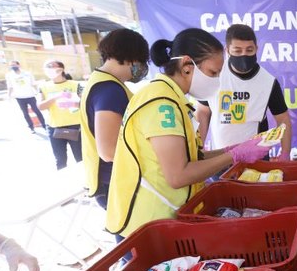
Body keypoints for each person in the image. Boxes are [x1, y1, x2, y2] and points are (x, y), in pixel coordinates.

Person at [105, 28, 270, 239]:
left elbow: (194, 158)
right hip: (148, 224)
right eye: (212, 73)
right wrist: (234, 156)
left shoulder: (174, 99)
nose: (217, 80)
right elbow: (178, 175)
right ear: (186, 66)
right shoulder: (161, 103)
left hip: (168, 217)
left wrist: (232, 148)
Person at [195, 24, 292, 161]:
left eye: (249, 50)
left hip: (256, 158)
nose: (244, 55)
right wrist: (198, 148)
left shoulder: (268, 82)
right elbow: (203, 112)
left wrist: (285, 153)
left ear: (256, 49)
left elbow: (283, 119)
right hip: (219, 157)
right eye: (237, 50)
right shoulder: (215, 74)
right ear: (227, 50)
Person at [79, 29, 149, 210]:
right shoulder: (110, 90)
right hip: (116, 181)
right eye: (141, 61)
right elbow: (109, 151)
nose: (141, 67)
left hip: (110, 179)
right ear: (131, 57)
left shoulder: (101, 81)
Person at [37, 60, 82, 170]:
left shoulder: (76, 85)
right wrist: (57, 96)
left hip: (75, 126)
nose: (49, 69)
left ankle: (87, 183)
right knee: (60, 160)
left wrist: (74, 103)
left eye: (52, 66)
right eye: (47, 67)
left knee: (80, 158)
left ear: (61, 69)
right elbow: (40, 106)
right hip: (54, 127)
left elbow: (87, 103)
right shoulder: (43, 87)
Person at [5, 60, 46, 134]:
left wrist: (38, 92)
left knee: (37, 111)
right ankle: (31, 127)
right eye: (11, 65)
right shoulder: (9, 75)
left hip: (30, 95)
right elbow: (10, 86)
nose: (13, 67)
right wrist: (9, 96)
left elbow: (33, 83)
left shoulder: (27, 73)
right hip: (19, 97)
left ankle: (44, 125)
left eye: (14, 65)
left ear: (18, 65)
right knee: (25, 113)